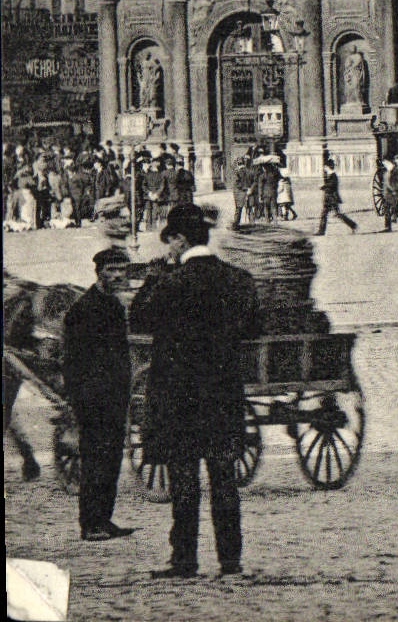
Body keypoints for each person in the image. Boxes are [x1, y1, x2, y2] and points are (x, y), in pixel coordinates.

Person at [129, 203, 261, 578]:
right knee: (224, 479)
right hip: (222, 393)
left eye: (169, 242)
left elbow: (139, 319)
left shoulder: (171, 283)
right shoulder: (238, 279)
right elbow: (253, 329)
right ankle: (230, 560)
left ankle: (184, 560)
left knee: (183, 480)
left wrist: (156, 277)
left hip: (178, 395)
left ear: (180, 240)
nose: (167, 249)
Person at [63, 247, 136, 542]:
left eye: (121, 269)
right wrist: (79, 398)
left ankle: (104, 519)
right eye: (111, 270)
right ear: (98, 272)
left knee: (112, 457)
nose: (118, 275)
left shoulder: (114, 306)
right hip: (93, 397)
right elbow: (72, 358)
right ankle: (90, 523)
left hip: (115, 396)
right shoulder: (84, 308)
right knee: (94, 458)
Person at [315, 153, 356, 235]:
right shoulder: (329, 175)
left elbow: (332, 185)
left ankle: (353, 225)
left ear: (327, 167)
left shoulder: (333, 176)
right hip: (328, 198)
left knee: (338, 214)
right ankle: (321, 231)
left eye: (325, 167)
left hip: (332, 199)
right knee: (324, 214)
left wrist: (323, 186)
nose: (324, 169)